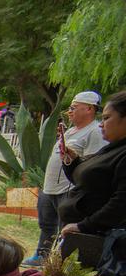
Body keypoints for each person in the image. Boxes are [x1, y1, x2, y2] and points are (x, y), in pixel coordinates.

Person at [25, 91, 107, 266]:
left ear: (89, 109)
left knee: (66, 228)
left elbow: (95, 162)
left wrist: (75, 157)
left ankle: (60, 261)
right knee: (46, 224)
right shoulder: (70, 130)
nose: (70, 111)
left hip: (68, 188)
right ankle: (42, 255)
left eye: (74, 107)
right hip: (50, 187)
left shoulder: (95, 131)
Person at [59, 90, 126, 237]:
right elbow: (86, 181)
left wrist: (84, 226)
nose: (101, 125)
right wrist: (71, 161)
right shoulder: (111, 149)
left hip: (98, 239)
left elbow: (121, 201)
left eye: (107, 118)